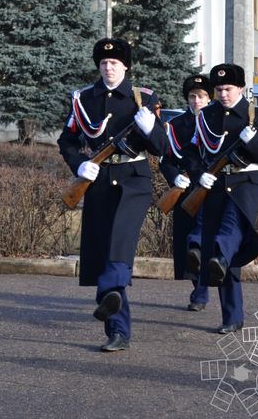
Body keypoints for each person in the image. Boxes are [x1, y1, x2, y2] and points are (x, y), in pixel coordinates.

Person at [57, 38, 167, 352]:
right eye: (104, 63)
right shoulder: (84, 99)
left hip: (133, 180)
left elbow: (161, 148)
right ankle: (117, 332)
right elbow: (67, 141)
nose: (108, 68)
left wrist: (150, 129)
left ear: (125, 66)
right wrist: (79, 165)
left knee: (120, 242)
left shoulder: (143, 98)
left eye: (115, 63)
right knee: (103, 250)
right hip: (98, 180)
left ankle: (108, 291)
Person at [187, 64, 258, 334]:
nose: (223, 94)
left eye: (228, 89)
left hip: (247, 182)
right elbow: (193, 153)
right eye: (218, 90)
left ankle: (208, 259)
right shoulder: (205, 116)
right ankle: (232, 317)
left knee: (230, 231)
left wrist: (253, 142)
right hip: (215, 182)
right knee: (223, 255)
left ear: (240, 88)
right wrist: (199, 174)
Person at [159, 74, 213, 312]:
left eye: (202, 96)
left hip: (213, 187)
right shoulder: (177, 125)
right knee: (188, 243)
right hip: (187, 189)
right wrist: (174, 177)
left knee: (204, 241)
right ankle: (198, 287)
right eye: (192, 96)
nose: (197, 101)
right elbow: (166, 160)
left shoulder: (218, 121)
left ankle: (202, 291)